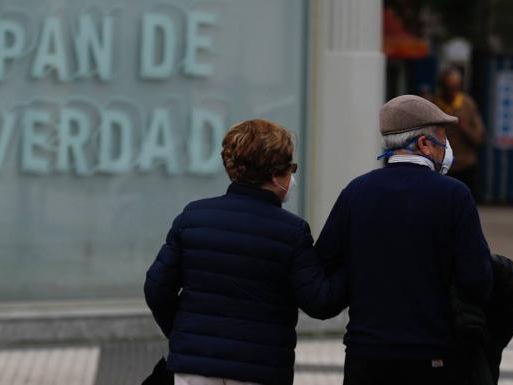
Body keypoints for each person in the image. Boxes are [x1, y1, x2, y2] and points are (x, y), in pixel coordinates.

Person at [144, 119, 347, 385]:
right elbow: (319, 302)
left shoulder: (194, 217)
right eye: (291, 169)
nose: (292, 178)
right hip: (260, 370)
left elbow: (156, 289)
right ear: (276, 176)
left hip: (194, 368)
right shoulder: (292, 232)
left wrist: (184, 335)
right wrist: (354, 264)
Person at [315, 95, 494, 385]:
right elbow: (477, 280)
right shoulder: (453, 196)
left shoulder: (356, 192)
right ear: (424, 144)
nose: (446, 147)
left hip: (365, 355)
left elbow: (323, 267)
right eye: (442, 137)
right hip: (431, 356)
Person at [434, 68, 486, 198]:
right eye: (448, 87)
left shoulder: (468, 104)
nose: (452, 91)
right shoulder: (434, 104)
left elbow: (479, 137)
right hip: (440, 165)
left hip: (464, 165)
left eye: (455, 87)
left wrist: (464, 128)